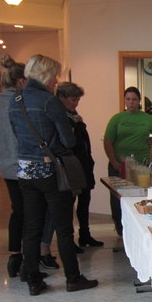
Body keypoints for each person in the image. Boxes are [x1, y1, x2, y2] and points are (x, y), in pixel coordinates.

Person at [9, 54, 98, 295]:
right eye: (55, 76)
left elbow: (17, 134)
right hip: (50, 170)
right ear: (47, 75)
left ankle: (33, 280)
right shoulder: (50, 102)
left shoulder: (15, 100)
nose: (55, 81)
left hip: (25, 171)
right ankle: (73, 278)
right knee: (63, 226)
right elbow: (67, 140)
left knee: (32, 226)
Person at [0, 54, 52, 281]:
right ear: (22, 81)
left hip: (6, 164)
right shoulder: (19, 101)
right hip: (25, 163)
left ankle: (15, 256)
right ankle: (30, 263)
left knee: (18, 211)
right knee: (33, 214)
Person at [56, 81, 103, 249]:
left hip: (83, 164)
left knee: (85, 200)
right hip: (70, 165)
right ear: (62, 97)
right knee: (69, 204)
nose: (76, 103)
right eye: (73, 99)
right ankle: (69, 240)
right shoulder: (60, 117)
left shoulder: (75, 116)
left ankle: (85, 234)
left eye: (78, 100)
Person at [103, 86, 152, 235]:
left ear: (139, 101)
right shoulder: (117, 118)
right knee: (117, 198)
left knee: (139, 196)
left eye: (134, 99)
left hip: (140, 166)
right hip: (118, 165)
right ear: (125, 100)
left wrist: (151, 143)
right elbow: (108, 141)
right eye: (128, 99)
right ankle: (119, 227)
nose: (131, 102)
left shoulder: (148, 119)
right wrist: (113, 161)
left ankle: (137, 228)